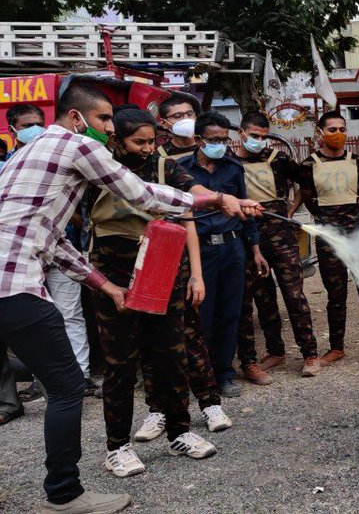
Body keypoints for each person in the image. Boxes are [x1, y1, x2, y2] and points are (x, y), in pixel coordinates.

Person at [0, 82, 259, 513]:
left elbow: (53, 242)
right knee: (67, 386)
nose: (110, 126)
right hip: (15, 283)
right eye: (104, 119)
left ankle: (177, 429)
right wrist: (216, 198)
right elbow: (138, 195)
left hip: (133, 273)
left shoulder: (25, 157)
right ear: (77, 118)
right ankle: (67, 493)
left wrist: (103, 285)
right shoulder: (76, 145)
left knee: (165, 352)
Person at [85, 106, 235, 477]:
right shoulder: (95, 170)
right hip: (113, 271)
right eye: (139, 142)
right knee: (120, 363)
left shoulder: (165, 166)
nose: (148, 148)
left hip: (160, 265)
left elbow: (193, 189)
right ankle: (117, 448)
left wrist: (222, 199)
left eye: (153, 140)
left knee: (171, 354)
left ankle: (179, 433)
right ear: (116, 140)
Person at [178, 112, 267, 398]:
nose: (219, 145)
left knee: (231, 312)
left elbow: (244, 212)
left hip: (232, 248)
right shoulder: (181, 170)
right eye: (213, 140)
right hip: (199, 249)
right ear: (198, 139)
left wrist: (254, 248)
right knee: (200, 313)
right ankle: (199, 374)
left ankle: (225, 373)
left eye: (223, 140)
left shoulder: (233, 168)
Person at [233, 111, 321, 383]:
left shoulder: (279, 159)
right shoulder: (228, 164)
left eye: (263, 136)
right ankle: (275, 351)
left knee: (294, 295)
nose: (259, 141)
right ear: (241, 133)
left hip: (280, 234)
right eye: (254, 136)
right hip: (247, 236)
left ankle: (310, 353)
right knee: (262, 297)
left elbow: (306, 182)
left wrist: (292, 209)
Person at [296, 111, 359, 367]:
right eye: (332, 129)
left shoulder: (357, 161)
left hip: (358, 233)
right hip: (328, 237)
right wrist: (328, 220)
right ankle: (337, 348)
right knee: (335, 295)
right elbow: (307, 197)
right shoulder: (308, 165)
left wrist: (351, 218)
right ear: (320, 132)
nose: (338, 134)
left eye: (342, 129)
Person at [156, 94, 200, 158]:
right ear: (164, 123)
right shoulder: (160, 155)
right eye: (177, 116)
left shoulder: (210, 145)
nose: (186, 119)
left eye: (190, 114)